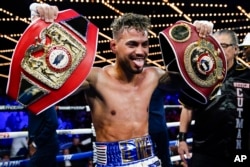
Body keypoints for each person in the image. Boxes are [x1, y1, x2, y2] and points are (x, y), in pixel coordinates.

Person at [29, 3, 213, 166]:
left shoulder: (153, 75)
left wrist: (199, 40)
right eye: (132, 44)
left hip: (150, 160)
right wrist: (37, 27)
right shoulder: (95, 78)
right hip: (110, 163)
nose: (140, 51)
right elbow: (42, 83)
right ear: (114, 46)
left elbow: (192, 77)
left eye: (145, 44)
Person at [177, 29, 250, 167]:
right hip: (204, 151)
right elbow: (187, 108)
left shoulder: (247, 76)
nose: (217, 51)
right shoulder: (199, 76)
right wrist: (181, 139)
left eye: (222, 46)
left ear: (235, 49)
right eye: (214, 46)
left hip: (240, 153)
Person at [149, 86, 173, 167]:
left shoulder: (156, 82)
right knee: (165, 159)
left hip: (155, 128)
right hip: (155, 128)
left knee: (163, 159)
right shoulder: (157, 82)